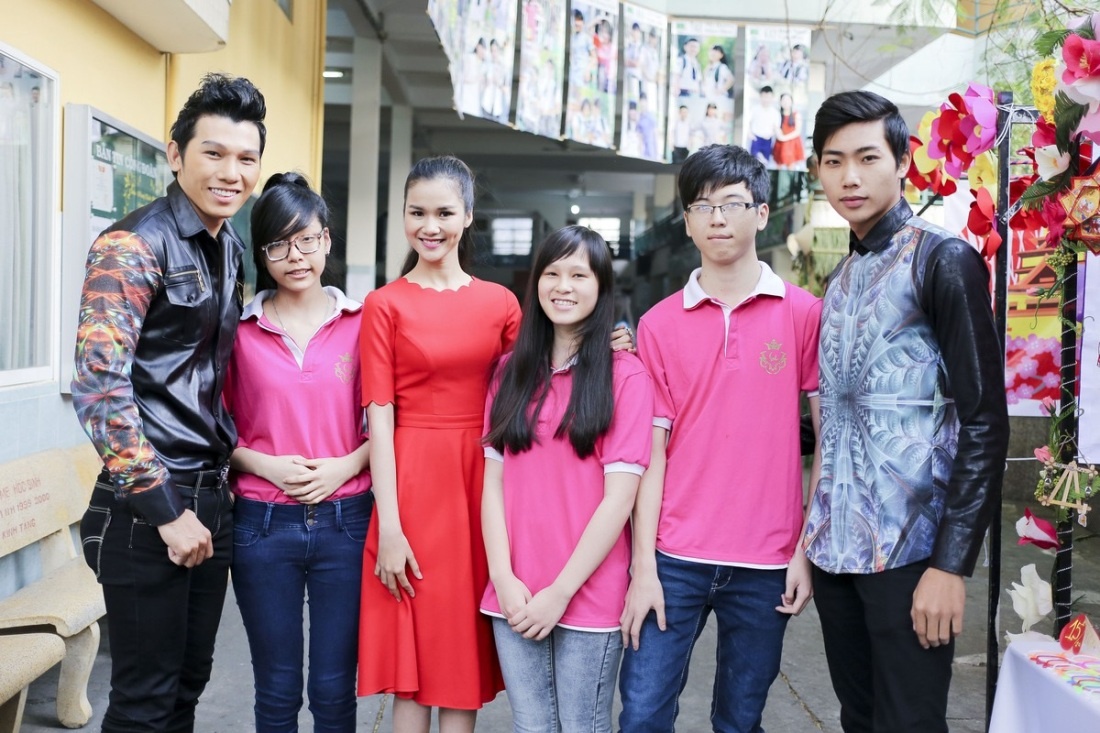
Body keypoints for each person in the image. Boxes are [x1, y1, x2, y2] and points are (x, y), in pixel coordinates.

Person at [357, 155, 635, 733]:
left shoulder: (501, 304)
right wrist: (390, 526)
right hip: (412, 487)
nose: (429, 226)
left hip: (484, 487)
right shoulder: (384, 304)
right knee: (412, 661)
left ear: (468, 216)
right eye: (416, 212)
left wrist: (610, 340)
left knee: (459, 652)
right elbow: (379, 421)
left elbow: (543, 364)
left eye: (444, 212)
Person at [804, 90, 1009, 733]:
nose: (851, 177)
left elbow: (985, 422)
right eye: (834, 161)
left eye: (868, 157)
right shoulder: (839, 280)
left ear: (901, 161)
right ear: (818, 171)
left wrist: (951, 565)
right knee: (859, 719)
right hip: (835, 554)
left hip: (913, 554)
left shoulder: (942, 259)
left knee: (909, 724)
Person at [72, 73, 266, 732]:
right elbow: (100, 387)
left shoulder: (228, 246)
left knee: (187, 688)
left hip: (212, 496)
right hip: (147, 507)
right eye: (214, 153)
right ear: (176, 154)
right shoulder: (131, 245)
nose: (231, 173)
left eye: (245, 158)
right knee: (144, 703)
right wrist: (165, 510)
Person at [618, 144, 822, 733]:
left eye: (732, 204)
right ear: (686, 222)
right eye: (702, 207)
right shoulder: (658, 324)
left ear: (762, 213)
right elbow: (651, 453)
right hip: (674, 557)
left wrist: (804, 550)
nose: (717, 219)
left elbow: (828, 443)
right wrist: (643, 565)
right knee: (642, 715)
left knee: (739, 719)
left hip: (767, 562)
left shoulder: (804, 313)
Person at [481, 225, 654, 733]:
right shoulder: (508, 372)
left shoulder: (625, 376)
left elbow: (619, 501)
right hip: (514, 593)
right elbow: (492, 486)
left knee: (583, 726)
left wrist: (560, 592)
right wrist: (502, 577)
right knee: (532, 726)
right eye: (552, 273)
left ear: (601, 287)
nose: (563, 286)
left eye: (579, 275)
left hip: (588, 595)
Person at [225, 173, 373, 733]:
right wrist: (262, 464)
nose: (295, 257)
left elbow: (391, 423)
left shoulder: (364, 324)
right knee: (277, 688)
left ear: (326, 240)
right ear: (262, 254)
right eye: (278, 245)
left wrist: (347, 465)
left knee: (335, 690)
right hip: (262, 526)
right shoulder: (237, 330)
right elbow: (216, 429)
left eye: (307, 240)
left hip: (347, 523)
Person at [748, 86, 781, 164]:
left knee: (765, 163)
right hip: (756, 139)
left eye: (768, 97)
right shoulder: (754, 109)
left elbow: (776, 128)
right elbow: (747, 122)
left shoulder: (775, 113)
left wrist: (771, 134)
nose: (766, 99)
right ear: (760, 96)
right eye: (764, 97)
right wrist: (749, 133)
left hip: (767, 140)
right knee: (753, 162)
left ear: (772, 97)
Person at [772, 92, 805, 169]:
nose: (786, 102)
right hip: (780, 144)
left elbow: (798, 131)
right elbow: (775, 128)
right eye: (783, 100)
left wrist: (784, 138)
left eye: (788, 99)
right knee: (778, 168)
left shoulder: (796, 114)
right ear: (780, 102)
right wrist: (780, 136)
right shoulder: (777, 114)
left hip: (792, 144)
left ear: (791, 102)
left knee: (791, 169)